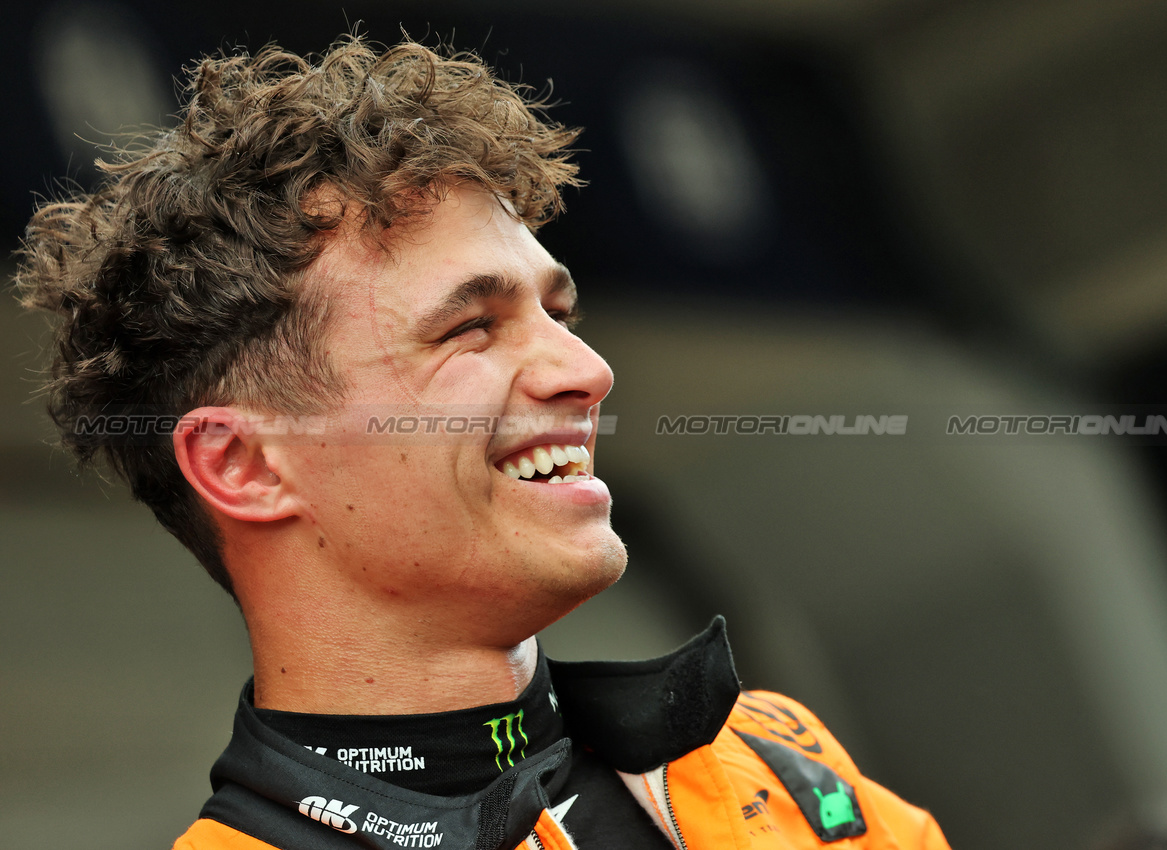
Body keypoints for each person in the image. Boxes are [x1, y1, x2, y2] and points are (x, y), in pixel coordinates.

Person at [15, 34, 952, 849]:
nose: (585, 372)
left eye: (558, 311)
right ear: (245, 464)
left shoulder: (776, 768)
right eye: (470, 328)